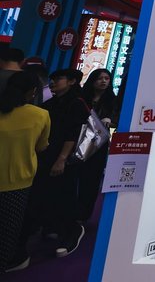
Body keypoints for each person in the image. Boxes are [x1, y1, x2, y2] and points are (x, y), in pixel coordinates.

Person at [34, 69, 89, 258]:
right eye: (52, 79)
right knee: (48, 192)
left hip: (66, 158)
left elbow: (73, 133)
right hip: (47, 154)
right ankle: (52, 226)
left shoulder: (77, 103)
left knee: (65, 194)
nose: (53, 82)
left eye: (58, 79)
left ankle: (71, 231)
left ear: (72, 81)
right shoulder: (51, 103)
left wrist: (62, 159)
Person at [0, 71, 49, 272]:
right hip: (18, 182)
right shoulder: (41, 115)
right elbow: (42, 146)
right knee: (6, 234)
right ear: (33, 92)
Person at [76, 68, 117, 223]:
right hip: (78, 140)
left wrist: (110, 121)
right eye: (100, 78)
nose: (104, 81)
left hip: (98, 145)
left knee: (92, 180)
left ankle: (83, 215)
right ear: (93, 80)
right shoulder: (82, 98)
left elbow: (117, 119)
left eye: (107, 78)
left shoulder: (112, 100)